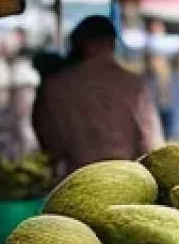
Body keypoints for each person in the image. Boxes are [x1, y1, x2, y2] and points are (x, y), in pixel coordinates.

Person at [32, 15, 164, 176]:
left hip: (74, 184)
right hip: (127, 183)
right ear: (111, 43)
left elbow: (47, 146)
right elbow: (152, 145)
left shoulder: (53, 87)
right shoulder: (133, 85)